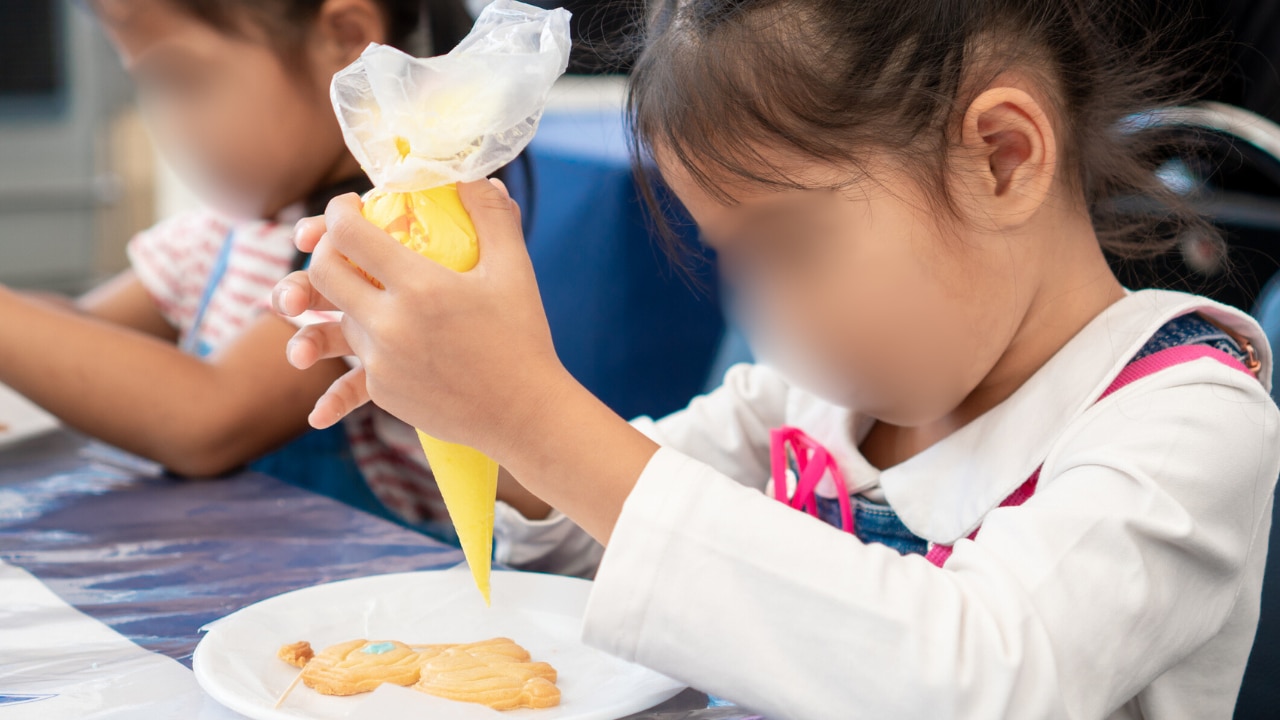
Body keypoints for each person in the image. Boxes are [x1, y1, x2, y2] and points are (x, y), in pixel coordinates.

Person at [274, 0, 1280, 715]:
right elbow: (595, 543)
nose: (768, 323)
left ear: (1000, 158)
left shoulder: (1181, 416)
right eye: (736, 264)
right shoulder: (801, 409)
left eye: (792, 246)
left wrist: (529, 412)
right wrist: (465, 408)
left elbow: (984, 676)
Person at [0, 0, 471, 526]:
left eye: (183, 79)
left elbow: (208, 419)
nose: (167, 126)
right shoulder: (223, 236)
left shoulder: (395, 241)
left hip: (391, 586)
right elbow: (75, 337)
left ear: (345, 35)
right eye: (145, 84)